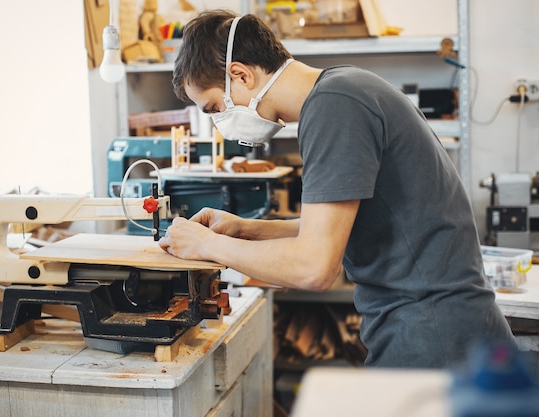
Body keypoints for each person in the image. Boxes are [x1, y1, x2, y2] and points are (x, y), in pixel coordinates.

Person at [158, 9, 517, 368]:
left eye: (215, 108)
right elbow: (343, 226)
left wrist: (208, 245)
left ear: (241, 75)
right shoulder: (344, 88)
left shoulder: (334, 109)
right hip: (442, 326)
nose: (221, 122)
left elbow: (313, 268)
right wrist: (246, 228)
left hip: (433, 336)